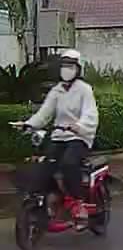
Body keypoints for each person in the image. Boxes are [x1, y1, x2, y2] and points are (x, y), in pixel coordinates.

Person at [23, 49, 99, 230]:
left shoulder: (84, 90)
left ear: (78, 69)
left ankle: (79, 204)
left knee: (68, 163)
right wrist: (28, 124)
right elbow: (44, 114)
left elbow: (90, 114)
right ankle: (44, 200)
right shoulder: (56, 91)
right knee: (46, 163)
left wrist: (78, 126)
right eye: (64, 66)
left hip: (79, 137)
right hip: (59, 136)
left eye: (71, 66)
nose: (67, 70)